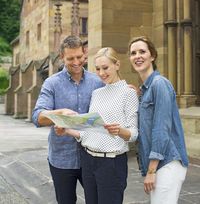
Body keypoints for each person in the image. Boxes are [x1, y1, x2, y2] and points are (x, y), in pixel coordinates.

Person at [55, 47, 139, 204]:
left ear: (117, 65)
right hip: (88, 160)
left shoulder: (128, 93)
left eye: (105, 68)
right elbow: (88, 133)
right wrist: (67, 130)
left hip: (111, 164)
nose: (101, 73)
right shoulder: (97, 93)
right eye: (98, 69)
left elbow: (134, 134)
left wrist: (120, 131)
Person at [32, 36, 104, 204]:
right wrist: (61, 113)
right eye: (70, 58)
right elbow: (37, 116)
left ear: (85, 54)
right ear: (61, 57)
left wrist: (126, 90)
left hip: (91, 157)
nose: (76, 62)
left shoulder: (97, 82)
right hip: (62, 159)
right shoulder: (52, 83)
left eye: (79, 57)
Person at [128, 36, 188, 204]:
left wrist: (152, 170)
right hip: (160, 164)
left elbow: (161, 129)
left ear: (152, 56)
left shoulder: (159, 84)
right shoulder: (146, 89)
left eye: (142, 52)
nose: (137, 56)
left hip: (167, 162)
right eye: (133, 53)